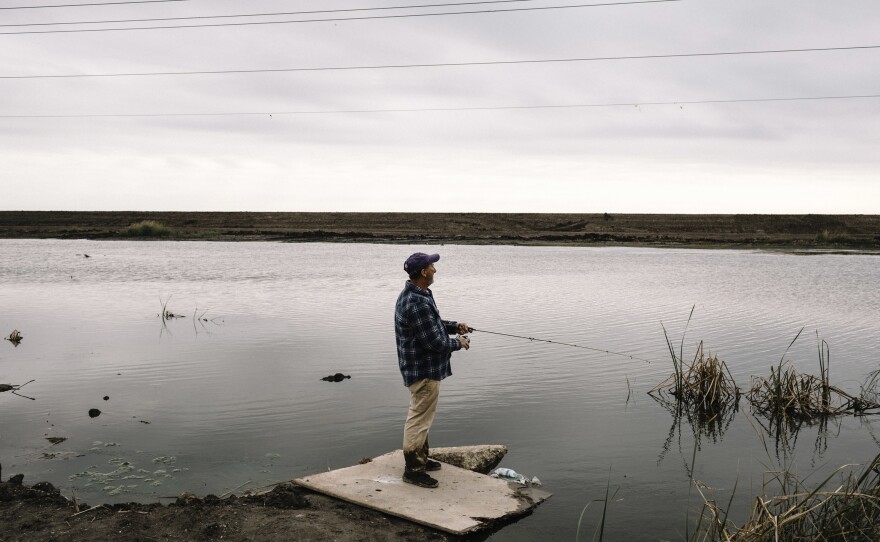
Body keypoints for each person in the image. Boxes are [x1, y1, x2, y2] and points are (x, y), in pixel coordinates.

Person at [394, 252, 470, 489]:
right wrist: (459, 342)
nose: (435, 269)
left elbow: (431, 326)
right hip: (424, 371)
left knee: (422, 419)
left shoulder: (416, 295)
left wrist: (454, 326)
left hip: (422, 369)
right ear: (423, 272)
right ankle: (414, 471)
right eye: (431, 266)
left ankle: (421, 460)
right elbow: (434, 342)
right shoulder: (416, 302)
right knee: (418, 420)